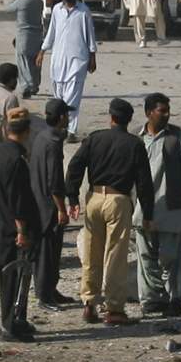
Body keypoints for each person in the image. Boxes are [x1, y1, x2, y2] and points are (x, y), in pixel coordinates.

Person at [65, 98, 150, 326]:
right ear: (128, 120)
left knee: (92, 253)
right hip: (119, 200)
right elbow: (144, 183)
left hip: (94, 199)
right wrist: (148, 214)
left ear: (110, 117)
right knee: (115, 255)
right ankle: (114, 309)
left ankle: (89, 304)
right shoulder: (135, 144)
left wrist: (72, 197)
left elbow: (75, 166)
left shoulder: (95, 139)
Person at [136, 92, 181, 319]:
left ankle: (174, 299)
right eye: (161, 111)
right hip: (144, 211)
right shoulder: (138, 140)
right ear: (148, 113)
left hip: (172, 209)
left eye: (167, 111)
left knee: (172, 259)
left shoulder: (176, 137)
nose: (166, 115)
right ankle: (151, 300)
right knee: (146, 259)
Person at [0, 109, 44, 344]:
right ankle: (9, 326)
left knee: (11, 277)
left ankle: (17, 319)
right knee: (13, 278)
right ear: (26, 132)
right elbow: (18, 200)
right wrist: (21, 230)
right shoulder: (16, 160)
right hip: (13, 232)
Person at [28, 99, 73, 311]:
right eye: (67, 115)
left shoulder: (42, 137)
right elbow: (54, 182)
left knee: (51, 253)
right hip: (48, 207)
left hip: (37, 202)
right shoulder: (52, 143)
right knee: (47, 253)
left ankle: (50, 290)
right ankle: (44, 296)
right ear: (62, 117)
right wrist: (62, 210)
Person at [39, 0, 97, 129]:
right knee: (58, 98)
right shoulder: (57, 10)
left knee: (72, 99)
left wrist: (92, 57)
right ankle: (59, 126)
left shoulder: (84, 11)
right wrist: (42, 51)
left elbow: (90, 36)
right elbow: (51, 33)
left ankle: (71, 130)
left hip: (78, 62)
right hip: (58, 61)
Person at [10, 0, 46, 101]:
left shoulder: (22, 1)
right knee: (35, 62)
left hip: (24, 35)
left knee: (23, 62)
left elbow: (8, 9)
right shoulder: (39, 1)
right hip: (37, 35)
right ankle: (35, 86)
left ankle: (27, 87)